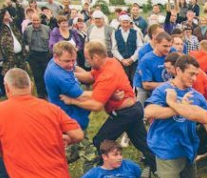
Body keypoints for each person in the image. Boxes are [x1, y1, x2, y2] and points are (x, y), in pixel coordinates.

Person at [61, 41, 155, 171]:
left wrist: (72, 100)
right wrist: (70, 73)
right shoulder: (110, 62)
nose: (87, 62)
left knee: (100, 141)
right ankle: (159, 168)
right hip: (132, 110)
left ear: (96, 57)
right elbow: (90, 76)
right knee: (143, 144)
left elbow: (96, 105)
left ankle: (103, 171)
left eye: (88, 59)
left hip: (125, 114)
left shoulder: (107, 75)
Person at [44, 42, 95, 172]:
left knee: (70, 151)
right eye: (67, 61)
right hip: (71, 119)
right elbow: (83, 96)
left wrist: (90, 76)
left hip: (71, 117)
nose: (71, 64)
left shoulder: (57, 62)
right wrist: (108, 91)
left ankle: (48, 169)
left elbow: (76, 69)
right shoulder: (59, 76)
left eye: (74, 60)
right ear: (56, 57)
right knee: (90, 155)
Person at [22, 13, 52, 98]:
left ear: (40, 20)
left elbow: (52, 41)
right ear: (31, 20)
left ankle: (48, 92)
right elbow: (24, 41)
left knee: (46, 74)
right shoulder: (27, 30)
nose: (35, 22)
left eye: (37, 20)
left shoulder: (47, 29)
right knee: (37, 76)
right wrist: (27, 50)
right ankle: (40, 94)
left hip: (45, 55)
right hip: (34, 55)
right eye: (34, 20)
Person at [111, 14, 143, 83]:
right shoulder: (115, 33)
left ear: (130, 23)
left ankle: (134, 93)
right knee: (123, 81)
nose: (125, 25)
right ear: (120, 23)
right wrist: (122, 60)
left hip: (134, 62)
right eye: (123, 22)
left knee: (134, 80)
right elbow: (114, 49)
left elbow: (140, 47)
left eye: (127, 22)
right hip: (121, 62)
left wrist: (132, 59)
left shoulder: (135, 32)